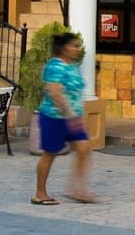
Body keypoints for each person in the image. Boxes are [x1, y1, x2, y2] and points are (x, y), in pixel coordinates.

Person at [32, 32, 98, 205]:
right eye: (73, 46)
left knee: (84, 148)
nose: (77, 49)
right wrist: (69, 115)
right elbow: (55, 93)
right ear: (63, 48)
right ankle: (40, 193)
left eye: (77, 46)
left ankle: (77, 189)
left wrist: (77, 117)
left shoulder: (72, 66)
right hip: (54, 117)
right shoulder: (54, 67)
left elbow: (75, 93)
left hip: (73, 119)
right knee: (50, 154)